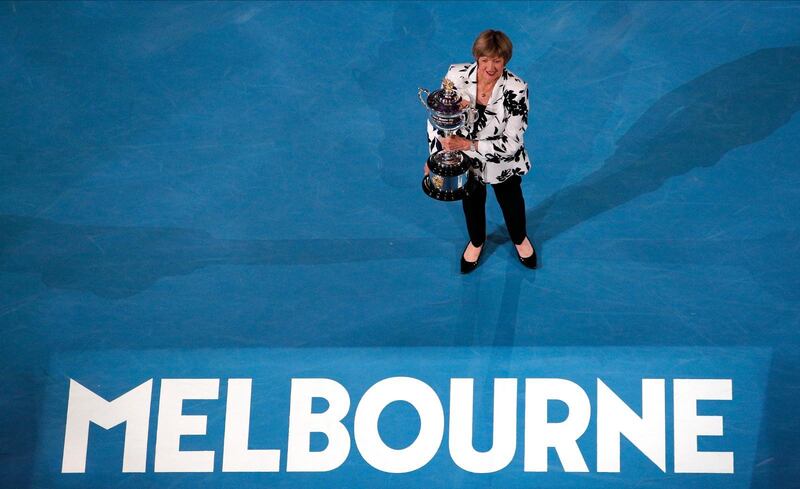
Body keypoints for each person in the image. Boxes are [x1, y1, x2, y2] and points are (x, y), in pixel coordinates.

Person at [426, 29, 537, 273]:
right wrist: (435, 157)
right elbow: (439, 121)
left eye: (497, 60)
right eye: (485, 59)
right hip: (464, 161)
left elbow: (512, 143)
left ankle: (520, 239)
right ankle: (477, 241)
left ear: (505, 60)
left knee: (511, 202)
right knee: (472, 202)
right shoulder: (455, 76)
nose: (490, 66)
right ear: (477, 57)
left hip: (502, 162)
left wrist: (469, 145)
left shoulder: (517, 89)